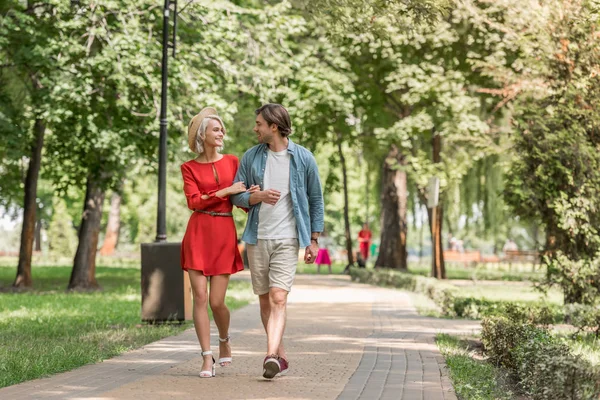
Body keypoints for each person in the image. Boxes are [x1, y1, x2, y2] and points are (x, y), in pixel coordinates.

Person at [231, 103, 324, 379]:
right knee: (264, 301)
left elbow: (316, 199)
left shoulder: (304, 158)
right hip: (257, 237)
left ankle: (270, 355)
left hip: (288, 238)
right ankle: (280, 355)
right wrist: (254, 197)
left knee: (278, 297)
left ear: (274, 126)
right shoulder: (251, 157)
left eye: (259, 123)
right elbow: (236, 195)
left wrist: (313, 239)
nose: (255, 128)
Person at [180, 107, 257, 378]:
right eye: (216, 129)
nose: (221, 132)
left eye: (222, 128)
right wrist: (224, 191)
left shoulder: (234, 162)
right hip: (198, 232)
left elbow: (242, 199)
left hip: (224, 233)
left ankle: (224, 339)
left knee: (216, 301)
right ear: (203, 135)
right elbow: (193, 201)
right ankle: (205, 356)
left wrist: (252, 197)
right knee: (199, 297)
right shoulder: (188, 167)